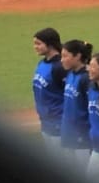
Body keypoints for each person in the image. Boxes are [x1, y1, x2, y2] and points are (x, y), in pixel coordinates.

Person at [59, 40, 93, 169]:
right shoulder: (71, 74)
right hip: (68, 133)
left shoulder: (86, 78)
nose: (62, 60)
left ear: (77, 56)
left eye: (65, 56)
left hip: (82, 136)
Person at [32, 27, 67, 148]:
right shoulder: (42, 63)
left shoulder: (60, 67)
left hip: (59, 121)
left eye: (38, 44)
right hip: (45, 121)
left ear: (50, 44)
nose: (35, 47)